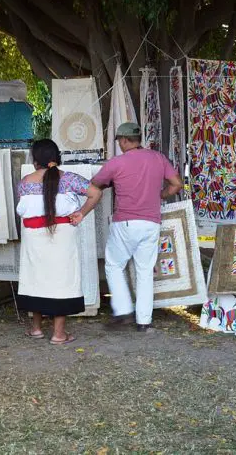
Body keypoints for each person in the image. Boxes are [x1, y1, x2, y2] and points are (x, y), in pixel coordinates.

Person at [74, 123, 183, 332]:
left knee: (114, 265)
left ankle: (123, 310)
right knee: (144, 271)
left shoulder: (117, 163)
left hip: (125, 222)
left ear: (124, 140)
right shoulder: (158, 158)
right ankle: (144, 322)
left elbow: (95, 184)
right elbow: (176, 184)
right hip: (151, 222)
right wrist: (160, 195)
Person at [16, 139, 103, 344]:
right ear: (57, 158)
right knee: (62, 280)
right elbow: (96, 193)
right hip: (63, 237)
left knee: (36, 278)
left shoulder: (25, 183)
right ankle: (58, 334)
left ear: (35, 161)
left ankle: (36, 329)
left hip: (33, 238)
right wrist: (81, 213)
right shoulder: (70, 179)